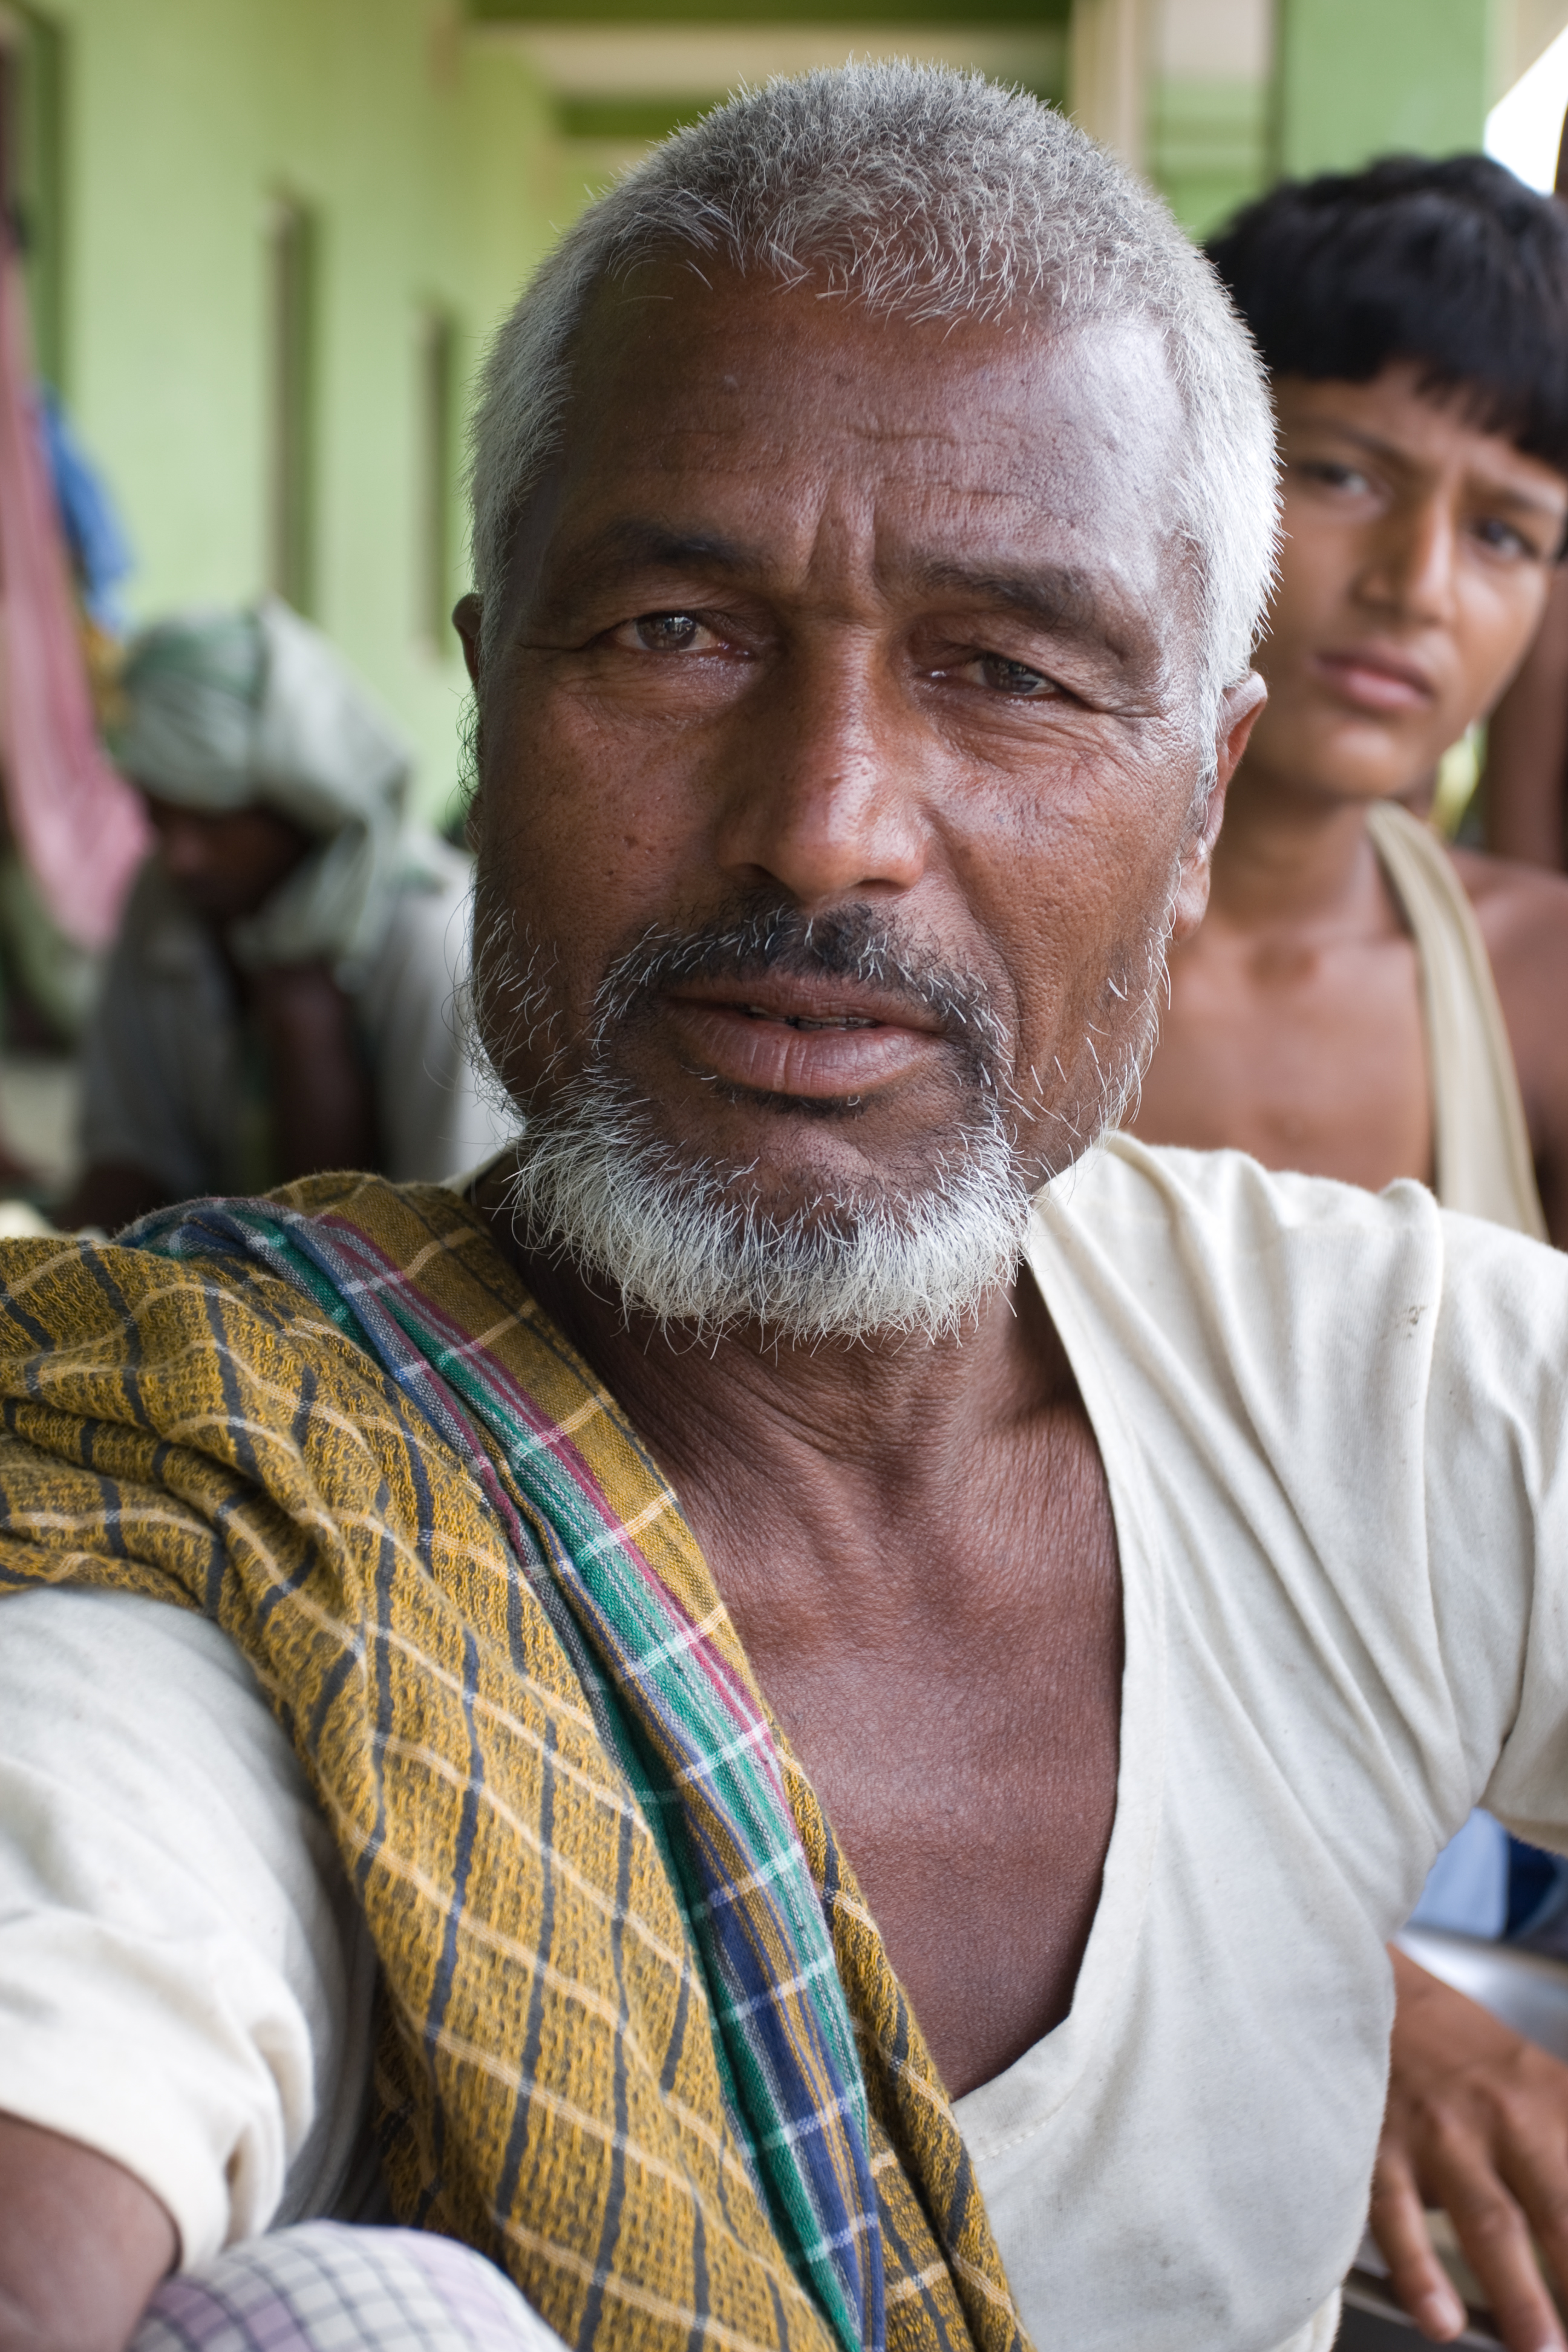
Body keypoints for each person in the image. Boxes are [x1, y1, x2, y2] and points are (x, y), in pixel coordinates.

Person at [4, 64, 1568, 2352]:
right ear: (484, 697)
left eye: (1010, 673)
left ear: (1203, 791)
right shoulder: (243, 1514)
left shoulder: (1370, 1380)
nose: (824, 825)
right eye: (675, 634)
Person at [1128, 156, 1568, 2350]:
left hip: (1460, 1863)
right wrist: (1330, 1976)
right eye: (1338, 473)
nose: (1412, 584)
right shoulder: (958, 959)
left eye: (1502, 528)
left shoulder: (1532, 989)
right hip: (997, 1856)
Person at [62, 599, 506, 1229]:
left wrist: (305, 1027)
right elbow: (130, 1157)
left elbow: (455, 1243)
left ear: (304, 798)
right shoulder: (165, 901)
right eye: (158, 815)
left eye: (214, 818)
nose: (182, 856)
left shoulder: (435, 937)